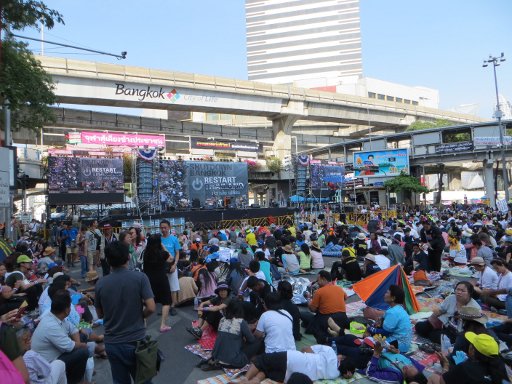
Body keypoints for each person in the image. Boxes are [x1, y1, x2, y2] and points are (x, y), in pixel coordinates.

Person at [95, 241, 156, 384]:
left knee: (120, 380)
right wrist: (140, 316)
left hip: (112, 342)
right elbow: (151, 307)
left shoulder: (101, 284)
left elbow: (100, 315)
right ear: (128, 257)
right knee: (143, 379)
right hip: (136, 340)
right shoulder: (140, 278)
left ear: (108, 261)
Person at [31, 289, 89, 384]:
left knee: (84, 335)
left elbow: (73, 328)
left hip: (79, 324)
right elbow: (70, 346)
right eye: (66, 285)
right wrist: (81, 345)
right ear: (66, 309)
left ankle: (94, 334)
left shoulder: (60, 313)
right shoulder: (50, 322)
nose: (68, 286)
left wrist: (78, 342)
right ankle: (76, 381)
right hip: (49, 363)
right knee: (83, 350)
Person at [235, 344, 340, 383]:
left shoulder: (330, 351)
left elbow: (305, 349)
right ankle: (255, 380)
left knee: (262, 359)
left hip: (293, 359)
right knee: (268, 370)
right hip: (289, 376)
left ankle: (245, 379)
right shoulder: (334, 374)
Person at [430, 332, 508, 384]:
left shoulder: (466, 368)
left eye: (471, 344)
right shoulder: (501, 366)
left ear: (473, 350)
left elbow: (442, 382)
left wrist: (446, 366)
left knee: (433, 377)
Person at [415, 281, 480, 343]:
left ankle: (435, 334)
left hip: (458, 332)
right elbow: (441, 310)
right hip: (445, 324)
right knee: (420, 327)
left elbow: (474, 328)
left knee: (434, 336)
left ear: (469, 293)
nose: (459, 292)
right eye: (457, 289)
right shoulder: (451, 298)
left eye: (463, 291)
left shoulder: (474, 308)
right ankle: (435, 332)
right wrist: (431, 320)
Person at [206, 300, 259, 370]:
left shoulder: (222, 319)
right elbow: (251, 340)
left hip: (216, 357)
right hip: (233, 361)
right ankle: (256, 361)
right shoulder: (241, 322)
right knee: (258, 341)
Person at [301, 270, 348, 344]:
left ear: (323, 279)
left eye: (318, 280)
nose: (317, 282)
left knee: (303, 314)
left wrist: (308, 298)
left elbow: (312, 309)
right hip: (343, 319)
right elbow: (345, 297)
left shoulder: (319, 292)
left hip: (327, 320)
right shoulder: (339, 288)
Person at [364, 285, 412, 353]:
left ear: (393, 298)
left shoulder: (393, 312)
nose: (385, 294)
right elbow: (381, 320)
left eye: (387, 292)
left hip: (399, 344)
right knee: (374, 333)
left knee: (371, 343)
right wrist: (376, 324)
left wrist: (370, 329)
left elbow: (385, 331)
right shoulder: (397, 308)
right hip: (404, 341)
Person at [142, 234, 173, 333]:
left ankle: (143, 321)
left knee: (147, 301)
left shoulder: (145, 253)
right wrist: (163, 247)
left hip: (148, 280)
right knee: (166, 301)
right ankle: (163, 325)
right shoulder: (162, 253)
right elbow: (171, 259)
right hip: (161, 279)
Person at [160, 220, 181, 316]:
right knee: (163, 287)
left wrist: (175, 265)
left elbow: (177, 253)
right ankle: (165, 306)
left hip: (172, 266)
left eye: (165, 227)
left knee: (173, 288)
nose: (163, 229)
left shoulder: (174, 239)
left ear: (169, 227)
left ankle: (172, 306)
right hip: (161, 266)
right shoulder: (159, 239)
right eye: (161, 228)